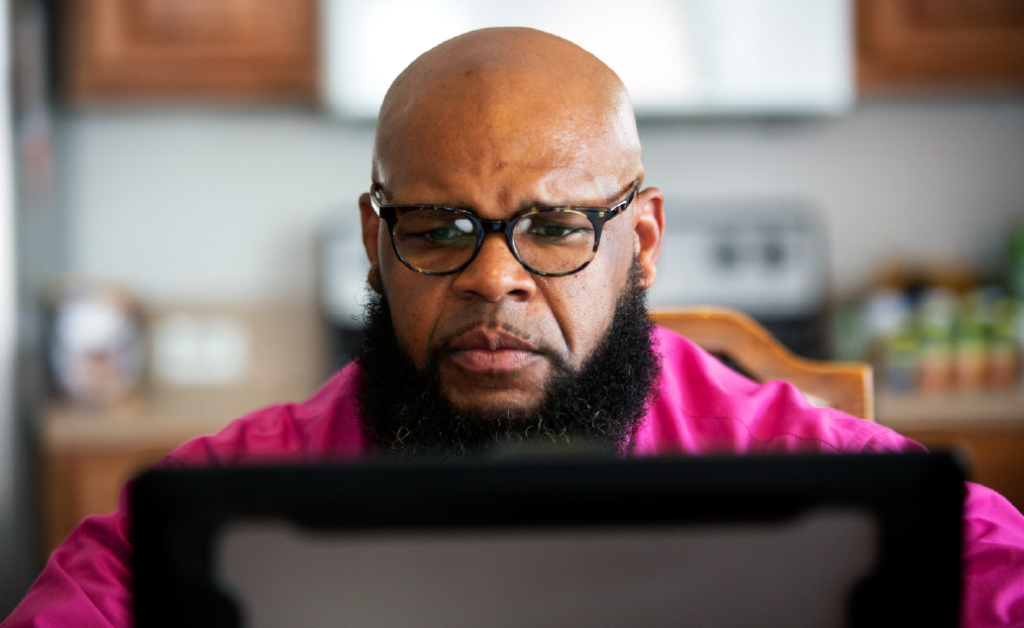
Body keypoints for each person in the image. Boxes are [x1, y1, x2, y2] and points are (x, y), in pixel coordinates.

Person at [5, 27, 1024, 627]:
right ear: (374, 239)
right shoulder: (222, 510)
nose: (495, 278)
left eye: (554, 226)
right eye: (440, 226)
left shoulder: (826, 477)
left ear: (646, 240)